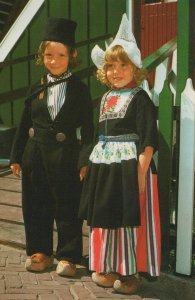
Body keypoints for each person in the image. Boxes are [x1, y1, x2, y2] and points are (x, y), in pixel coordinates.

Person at [79, 14, 161, 294]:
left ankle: (130, 273)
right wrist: (89, 164)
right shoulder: (104, 98)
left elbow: (148, 140)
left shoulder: (140, 99)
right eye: (110, 66)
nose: (115, 71)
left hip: (130, 168)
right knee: (108, 217)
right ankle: (109, 265)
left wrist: (140, 173)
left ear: (134, 67)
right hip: (106, 167)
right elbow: (95, 136)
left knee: (128, 218)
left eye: (122, 65)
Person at [10, 17, 94, 276]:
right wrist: (16, 156)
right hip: (35, 156)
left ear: (72, 55)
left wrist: (84, 160)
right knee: (35, 204)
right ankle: (40, 251)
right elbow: (24, 125)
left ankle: (68, 256)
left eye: (60, 55)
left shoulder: (79, 89)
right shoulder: (36, 88)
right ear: (41, 56)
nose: (54, 60)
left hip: (66, 156)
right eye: (48, 55)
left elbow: (89, 129)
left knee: (67, 205)